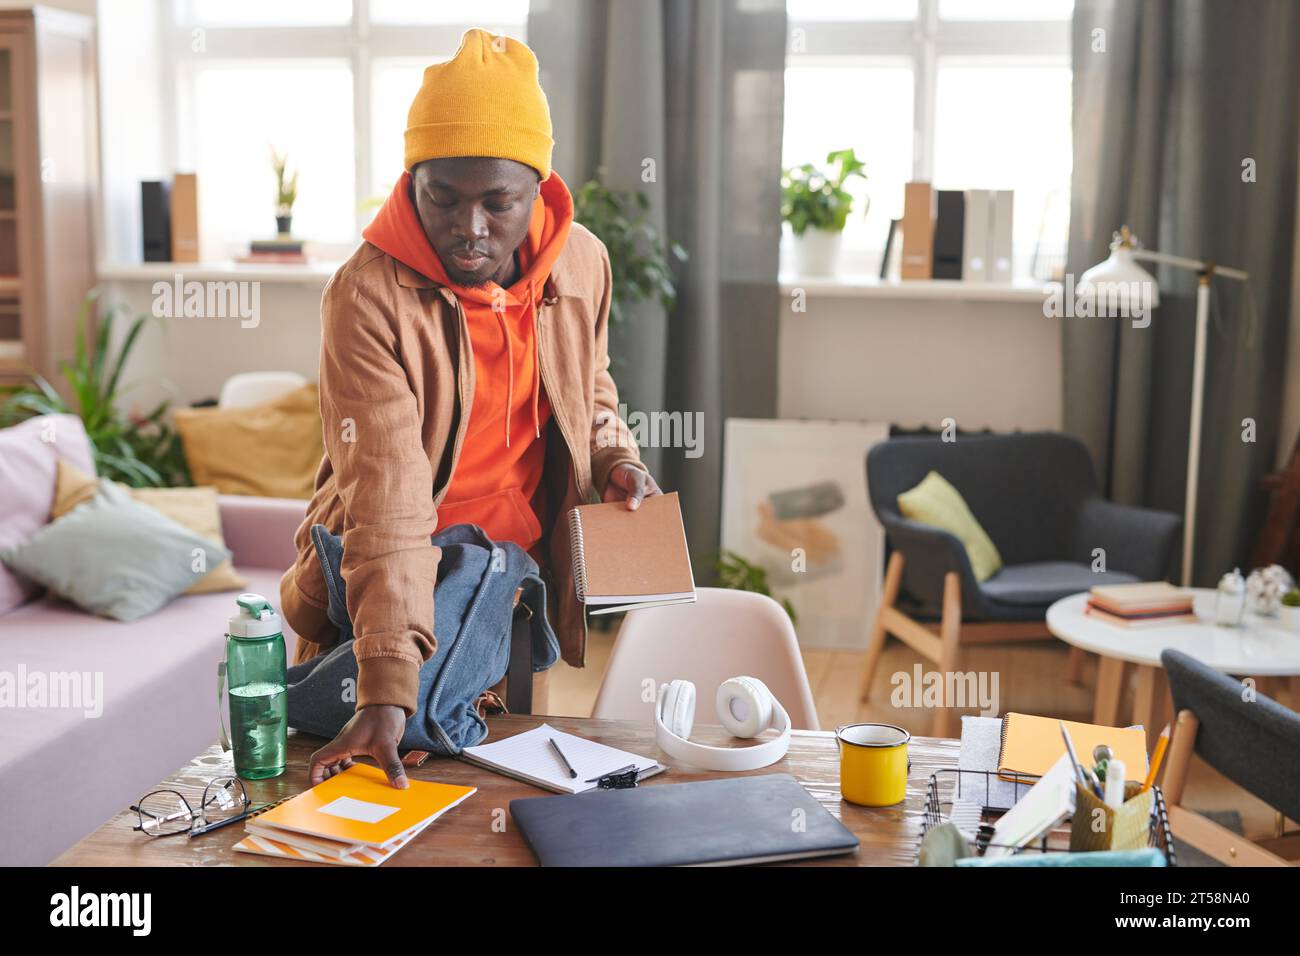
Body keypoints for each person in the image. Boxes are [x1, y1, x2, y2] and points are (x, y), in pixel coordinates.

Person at [278, 28, 661, 789]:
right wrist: (386, 687)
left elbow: (590, 390)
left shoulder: (582, 262)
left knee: (500, 801)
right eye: (442, 198)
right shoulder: (367, 295)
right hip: (383, 600)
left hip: (513, 591)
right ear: (411, 180)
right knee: (366, 804)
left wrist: (616, 456)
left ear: (539, 191)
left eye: (498, 202)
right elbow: (387, 498)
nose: (470, 228)